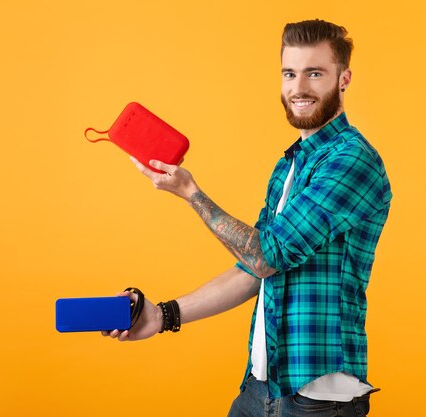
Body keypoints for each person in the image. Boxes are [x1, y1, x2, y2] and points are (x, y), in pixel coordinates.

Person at [102, 19, 392, 417]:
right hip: (263, 388)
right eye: (290, 73)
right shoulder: (288, 166)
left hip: (320, 401)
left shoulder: (351, 160)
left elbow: (265, 256)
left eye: (315, 73)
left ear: (343, 79)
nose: (299, 87)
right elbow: (253, 270)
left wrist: (191, 193)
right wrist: (162, 315)